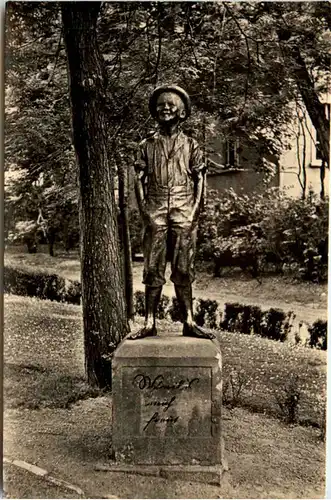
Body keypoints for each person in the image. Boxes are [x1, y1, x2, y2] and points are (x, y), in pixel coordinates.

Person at [128, 85, 214, 340]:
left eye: (171, 105)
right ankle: (149, 321)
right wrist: (144, 210)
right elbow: (139, 179)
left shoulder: (191, 145)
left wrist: (195, 210)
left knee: (184, 268)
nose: (165, 108)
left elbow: (200, 179)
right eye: (161, 105)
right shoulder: (146, 145)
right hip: (155, 208)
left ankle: (188, 320)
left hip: (183, 208)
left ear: (183, 112)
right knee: (152, 268)